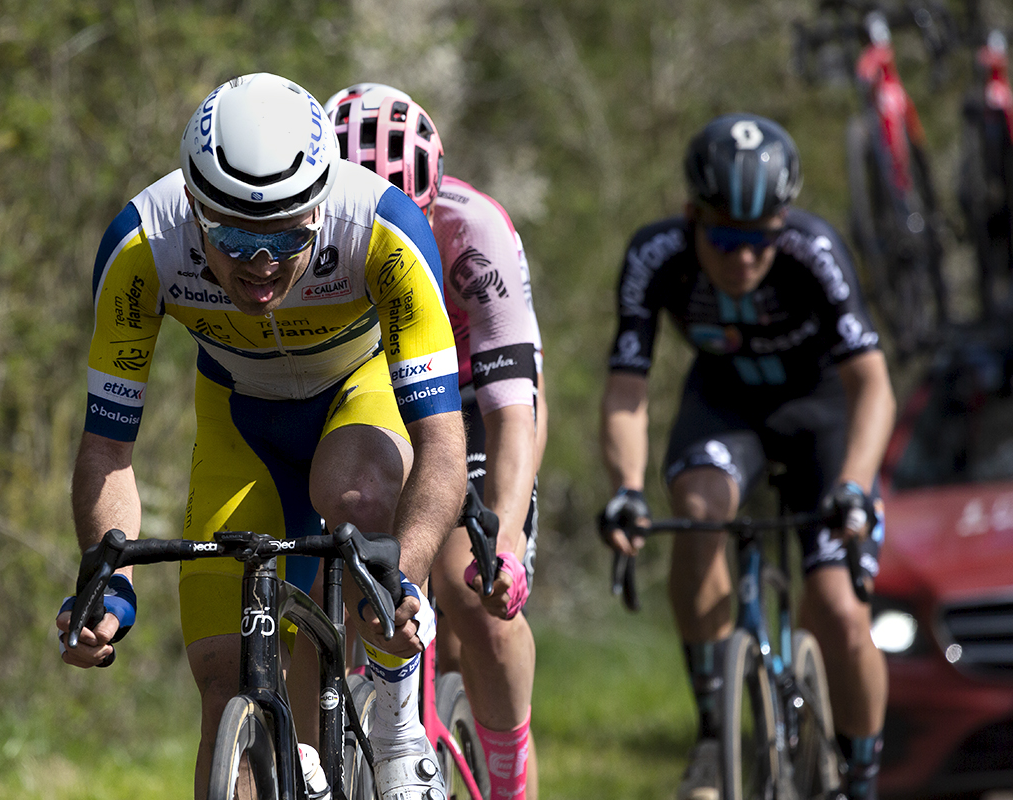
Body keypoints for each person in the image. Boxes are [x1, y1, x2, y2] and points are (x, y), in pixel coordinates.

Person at [54, 72, 467, 800]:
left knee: (356, 493)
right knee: (225, 680)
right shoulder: (143, 246)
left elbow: (440, 446)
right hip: (240, 425)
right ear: (191, 204)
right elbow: (106, 450)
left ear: (322, 202)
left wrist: (402, 574)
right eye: (235, 237)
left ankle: (401, 727)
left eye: (287, 235)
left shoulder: (383, 229)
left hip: (357, 397)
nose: (262, 263)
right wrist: (107, 575)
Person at [598, 113, 895, 800]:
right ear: (690, 216)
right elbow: (626, 387)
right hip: (726, 408)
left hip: (822, 415)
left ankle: (863, 777)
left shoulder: (813, 250)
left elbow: (873, 383)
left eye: (759, 241)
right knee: (698, 514)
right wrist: (628, 489)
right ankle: (713, 732)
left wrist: (853, 483)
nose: (742, 260)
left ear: (783, 225)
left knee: (839, 609)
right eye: (724, 238)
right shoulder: (656, 256)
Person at [326, 83, 547, 800]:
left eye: (405, 219)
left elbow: (516, 405)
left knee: (470, 591)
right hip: (370, 398)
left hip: (468, 400)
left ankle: (510, 778)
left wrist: (505, 541)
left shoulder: (474, 232)